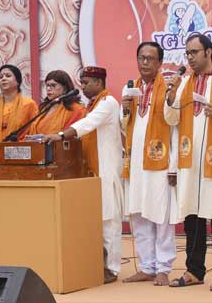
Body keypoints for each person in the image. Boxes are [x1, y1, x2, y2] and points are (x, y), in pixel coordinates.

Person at [164, 34, 212, 291]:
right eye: (188, 53)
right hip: (189, 161)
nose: (190, 58)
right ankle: (194, 270)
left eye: (194, 52)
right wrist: (171, 95)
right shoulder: (183, 85)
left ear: (208, 52)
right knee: (192, 217)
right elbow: (171, 119)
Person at [45, 66, 124, 284]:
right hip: (92, 171)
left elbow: (87, 124)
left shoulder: (108, 103)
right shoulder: (92, 104)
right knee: (96, 220)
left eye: (87, 82)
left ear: (99, 83)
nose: (83, 86)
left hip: (106, 170)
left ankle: (112, 268)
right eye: (82, 82)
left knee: (109, 221)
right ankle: (97, 264)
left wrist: (61, 135)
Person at [120, 42, 177, 286]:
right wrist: (125, 111)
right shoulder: (130, 88)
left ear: (160, 62)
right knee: (139, 214)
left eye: (150, 58)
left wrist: (174, 166)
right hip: (136, 162)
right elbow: (125, 128)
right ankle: (146, 266)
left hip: (161, 162)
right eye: (141, 58)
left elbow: (175, 128)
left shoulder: (169, 89)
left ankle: (163, 267)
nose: (145, 63)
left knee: (161, 215)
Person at [0, 65, 38, 144]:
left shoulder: (29, 104)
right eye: (0, 77)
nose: (3, 78)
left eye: (8, 76)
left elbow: (35, 132)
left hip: (20, 149)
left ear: (17, 81)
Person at [26, 70, 85, 136]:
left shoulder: (76, 109)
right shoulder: (43, 108)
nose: (48, 89)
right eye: (47, 85)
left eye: (53, 85)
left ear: (65, 88)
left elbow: (73, 134)